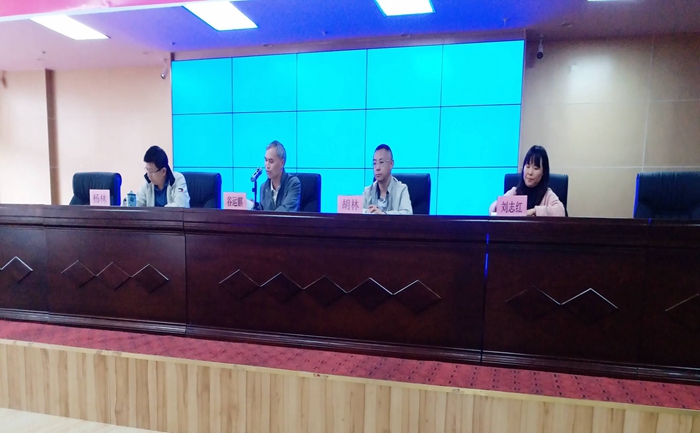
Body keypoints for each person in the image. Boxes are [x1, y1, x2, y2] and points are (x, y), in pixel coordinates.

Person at [489, 145, 565, 217]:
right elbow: (492, 209)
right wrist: (499, 207)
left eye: (535, 168)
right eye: (527, 166)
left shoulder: (547, 194)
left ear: (543, 172)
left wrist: (534, 211)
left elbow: (561, 212)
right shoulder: (515, 192)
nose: (530, 172)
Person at [362, 144, 413, 215]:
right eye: (374, 163)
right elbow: (357, 213)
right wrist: (369, 212)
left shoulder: (401, 189)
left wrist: (383, 214)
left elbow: (407, 214)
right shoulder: (367, 191)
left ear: (391, 164)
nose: (377, 168)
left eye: (381, 162)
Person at [256, 140, 301, 212]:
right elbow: (261, 212)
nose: (267, 165)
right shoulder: (264, 187)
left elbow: (285, 211)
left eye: (271, 161)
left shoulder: (293, 184)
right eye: (266, 160)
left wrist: (266, 216)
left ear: (282, 163)